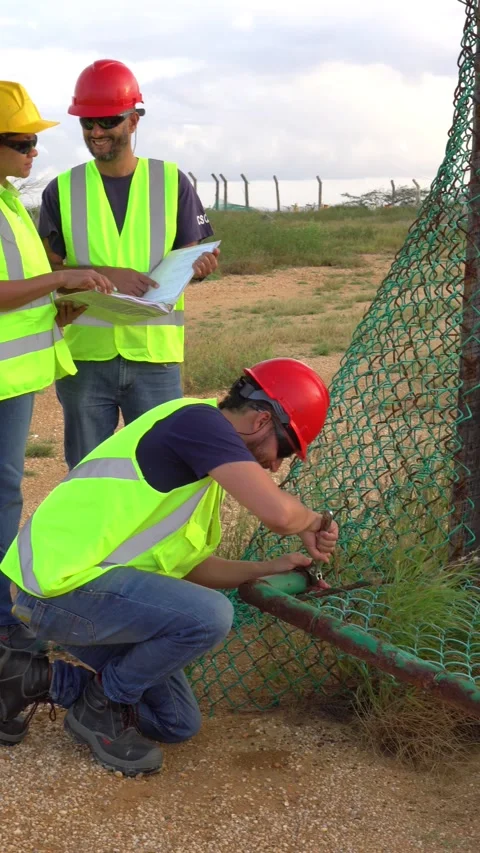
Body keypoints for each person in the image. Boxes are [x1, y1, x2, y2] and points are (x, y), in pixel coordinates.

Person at [0, 358, 338, 772]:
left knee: (175, 722)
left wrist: (264, 568)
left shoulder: (201, 469)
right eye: (284, 450)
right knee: (212, 615)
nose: (274, 465)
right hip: (52, 589)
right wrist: (314, 522)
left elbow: (190, 568)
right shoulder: (197, 424)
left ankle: (31, 679)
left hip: (81, 593)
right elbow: (281, 516)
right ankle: (102, 705)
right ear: (262, 419)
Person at [39, 58, 219, 471]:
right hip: (87, 357)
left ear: (134, 120)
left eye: (107, 121)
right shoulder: (61, 190)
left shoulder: (172, 181)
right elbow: (46, 273)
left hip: (154, 357)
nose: (96, 132)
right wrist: (103, 277)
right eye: (87, 124)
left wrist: (202, 263)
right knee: (86, 475)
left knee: (160, 472)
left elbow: (193, 253)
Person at [0, 81, 113, 666]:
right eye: (21, 142)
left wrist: (55, 312)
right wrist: (58, 280)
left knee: (6, 492)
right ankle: (4, 621)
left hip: (14, 380)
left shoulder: (10, 200)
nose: (33, 152)